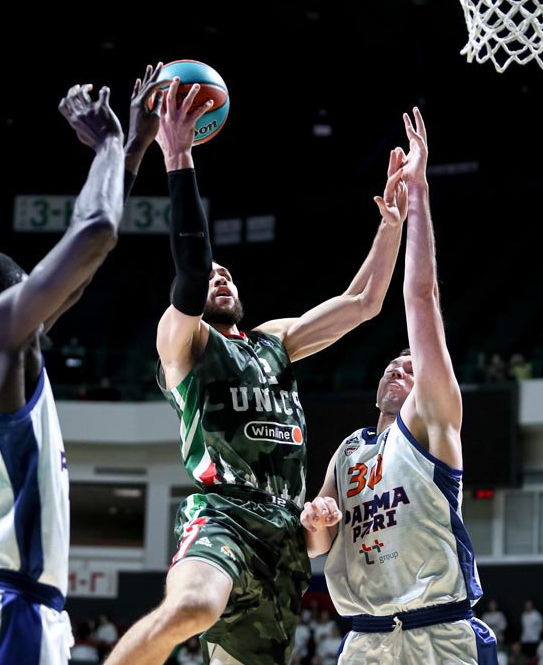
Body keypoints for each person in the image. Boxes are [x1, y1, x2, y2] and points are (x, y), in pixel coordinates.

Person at [105, 77, 407, 665]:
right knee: (192, 607)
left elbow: (363, 302)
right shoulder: (184, 343)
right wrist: (178, 154)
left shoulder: (274, 341)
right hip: (223, 512)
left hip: (285, 537)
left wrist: (392, 223)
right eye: (209, 274)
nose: (219, 276)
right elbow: (191, 267)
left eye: (227, 273)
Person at [0, 75, 161, 665]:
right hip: (11, 609)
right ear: (12, 295)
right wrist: (108, 143)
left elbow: (79, 278)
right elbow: (95, 233)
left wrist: (135, 149)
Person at [303, 108, 498, 664]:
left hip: (441, 633)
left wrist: (418, 195)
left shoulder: (431, 420)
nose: (399, 369)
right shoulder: (349, 450)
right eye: (393, 364)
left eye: (412, 367)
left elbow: (421, 297)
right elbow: (318, 546)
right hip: (365, 640)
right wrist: (316, 521)